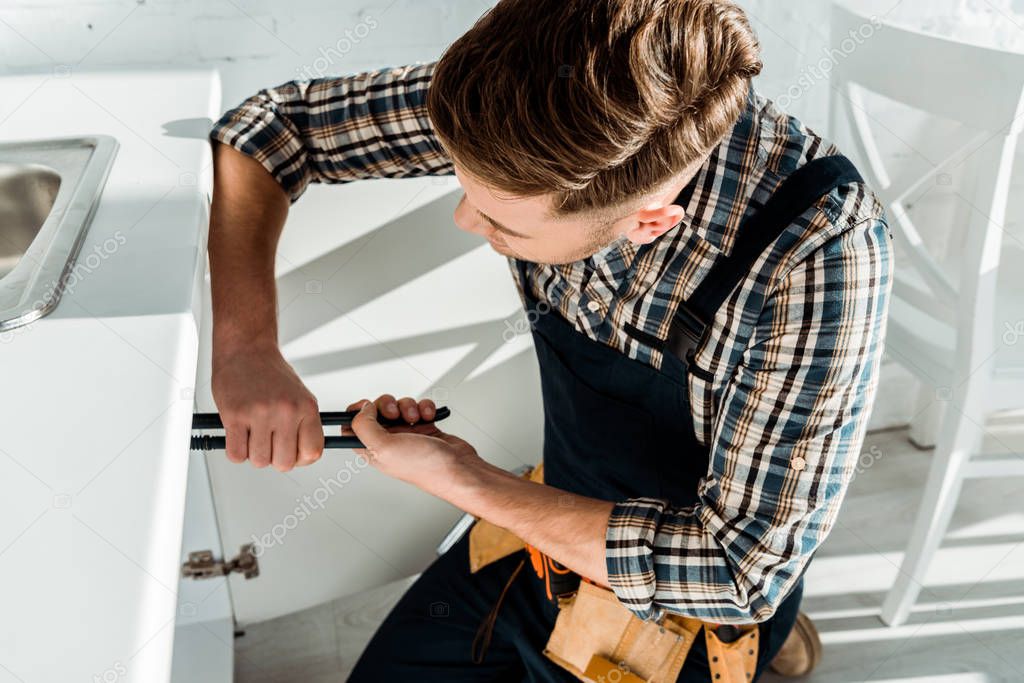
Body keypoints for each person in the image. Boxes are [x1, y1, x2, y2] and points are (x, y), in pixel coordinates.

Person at [207, 1, 893, 680]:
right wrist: (245, 347)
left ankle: (769, 642)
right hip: (538, 526)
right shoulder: (531, 105)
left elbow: (742, 569)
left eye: (507, 224)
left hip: (688, 606)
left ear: (650, 222)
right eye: (463, 182)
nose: (464, 217)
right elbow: (269, 129)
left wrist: (462, 478)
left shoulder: (821, 253)